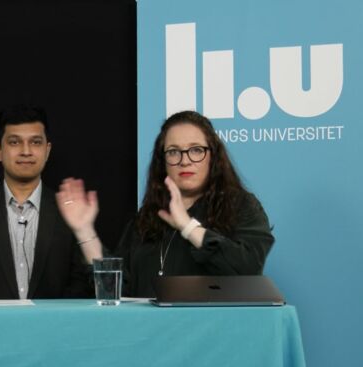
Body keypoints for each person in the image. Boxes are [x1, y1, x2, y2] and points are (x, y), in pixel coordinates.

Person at [56, 110, 274, 297]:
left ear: (213, 157)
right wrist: (84, 231)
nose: (185, 160)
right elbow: (117, 291)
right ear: (163, 163)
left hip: (212, 337)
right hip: (152, 337)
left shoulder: (241, 206)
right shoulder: (147, 218)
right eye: (174, 152)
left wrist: (187, 226)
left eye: (196, 149)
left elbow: (248, 270)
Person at [0, 105, 89, 299]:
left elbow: (82, 285)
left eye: (35, 142)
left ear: (47, 151)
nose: (26, 151)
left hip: (54, 327)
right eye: (14, 142)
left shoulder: (70, 211)